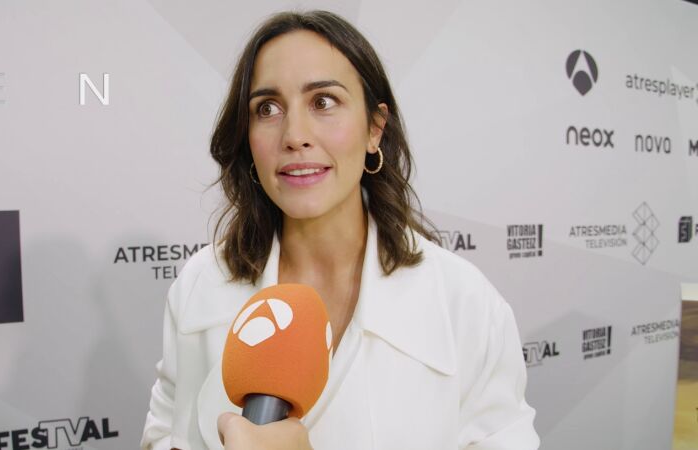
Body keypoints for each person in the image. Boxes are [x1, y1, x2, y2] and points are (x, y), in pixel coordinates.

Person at [142, 10, 539, 450]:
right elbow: (164, 435)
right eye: (267, 108)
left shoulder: (466, 303)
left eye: (323, 102)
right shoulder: (200, 283)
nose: (294, 135)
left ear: (375, 128)